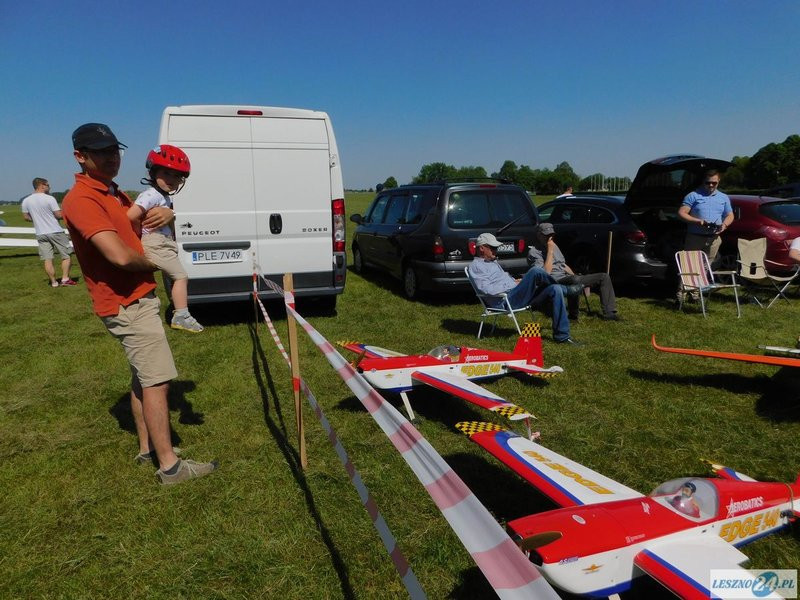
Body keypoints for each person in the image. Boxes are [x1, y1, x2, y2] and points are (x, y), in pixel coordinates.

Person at [61, 122, 217, 485]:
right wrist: (157, 263)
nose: (111, 158)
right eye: (101, 152)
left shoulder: (113, 192)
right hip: (125, 302)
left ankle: (147, 448)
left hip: (137, 296)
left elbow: (140, 227)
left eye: (114, 151)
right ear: (80, 156)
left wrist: (169, 215)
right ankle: (170, 467)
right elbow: (118, 255)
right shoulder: (82, 199)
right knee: (158, 382)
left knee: (142, 378)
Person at [128, 145, 203, 333]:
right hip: (156, 242)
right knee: (181, 277)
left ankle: (178, 309)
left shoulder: (163, 197)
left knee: (173, 278)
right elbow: (131, 216)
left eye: (177, 176)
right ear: (153, 173)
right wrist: (140, 233)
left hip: (162, 242)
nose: (172, 179)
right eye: (166, 173)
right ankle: (182, 315)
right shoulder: (151, 195)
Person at [468, 232, 583, 345]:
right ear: (482, 248)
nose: (495, 250)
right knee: (535, 271)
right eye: (493, 247)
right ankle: (566, 290)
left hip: (515, 295)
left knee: (555, 289)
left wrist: (516, 281)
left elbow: (503, 282)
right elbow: (487, 289)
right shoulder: (476, 266)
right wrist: (515, 285)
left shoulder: (492, 262)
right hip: (505, 302)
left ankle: (562, 337)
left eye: (496, 248)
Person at [528, 223, 620, 321]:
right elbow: (545, 274)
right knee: (574, 281)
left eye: (551, 235)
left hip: (568, 277)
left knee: (603, 277)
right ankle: (573, 316)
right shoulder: (534, 252)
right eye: (546, 235)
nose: (549, 238)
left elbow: (563, 265)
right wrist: (550, 252)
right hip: (553, 281)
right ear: (539, 235)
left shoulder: (554, 246)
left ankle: (609, 313)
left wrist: (574, 275)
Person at [21, 178, 77, 287]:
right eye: (47, 185)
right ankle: (65, 279)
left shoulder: (26, 200)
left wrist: (37, 219)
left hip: (40, 233)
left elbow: (26, 217)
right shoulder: (50, 198)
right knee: (66, 255)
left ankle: (54, 282)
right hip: (55, 231)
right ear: (42, 185)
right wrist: (68, 214)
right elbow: (58, 215)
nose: (49, 187)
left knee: (47, 258)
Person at [678, 169, 733, 266]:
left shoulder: (723, 197)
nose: (711, 185)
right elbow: (681, 213)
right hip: (695, 238)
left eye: (714, 183)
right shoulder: (693, 196)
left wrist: (724, 225)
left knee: (707, 267)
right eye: (708, 182)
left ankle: (704, 276)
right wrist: (698, 221)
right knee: (691, 267)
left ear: (719, 181)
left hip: (714, 239)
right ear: (703, 181)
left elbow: (730, 215)